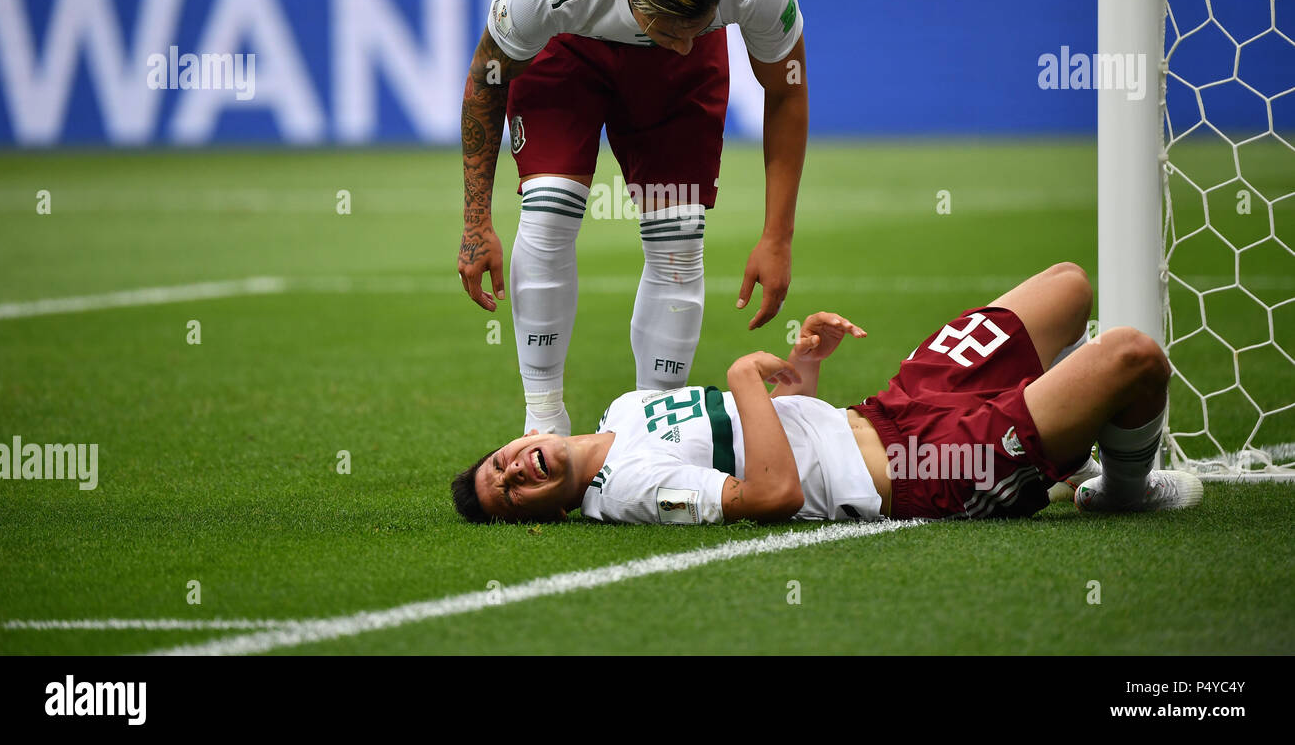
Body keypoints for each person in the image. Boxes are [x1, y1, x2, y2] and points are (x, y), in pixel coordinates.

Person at [457, 0, 808, 439]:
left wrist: (777, 237)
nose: (680, 46)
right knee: (549, 209)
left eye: (697, 27)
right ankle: (543, 422)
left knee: (678, 235)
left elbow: (788, 91)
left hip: (663, 39)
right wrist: (476, 221)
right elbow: (485, 79)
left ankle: (654, 432)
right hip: (568, 41)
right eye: (668, 31)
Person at [452, 262, 1204, 524]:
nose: (517, 472)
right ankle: (1122, 489)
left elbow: (786, 435)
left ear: (514, 441)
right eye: (512, 494)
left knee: (1069, 289)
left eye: (502, 465)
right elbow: (774, 494)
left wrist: (804, 365)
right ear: (541, 513)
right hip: (922, 469)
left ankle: (1060, 444)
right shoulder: (623, 492)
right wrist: (748, 375)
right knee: (1132, 357)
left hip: (889, 407)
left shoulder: (624, 409)